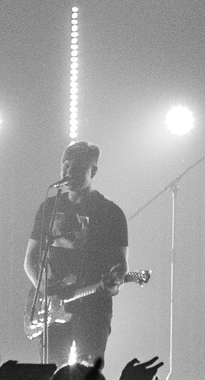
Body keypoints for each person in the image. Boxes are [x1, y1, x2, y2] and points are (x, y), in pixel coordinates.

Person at [23, 141, 130, 366]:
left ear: (93, 171)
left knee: (88, 379)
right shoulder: (49, 207)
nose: (69, 172)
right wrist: (45, 290)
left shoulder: (110, 213)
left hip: (93, 309)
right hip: (52, 307)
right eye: (66, 166)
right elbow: (31, 259)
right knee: (51, 375)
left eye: (77, 168)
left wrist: (115, 280)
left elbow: (120, 265)